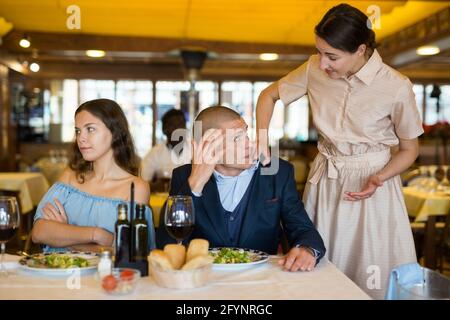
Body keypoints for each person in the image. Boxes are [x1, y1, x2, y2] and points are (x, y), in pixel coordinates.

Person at [255, 4, 423, 298]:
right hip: (326, 178)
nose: (322, 63)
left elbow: (410, 149)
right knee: (317, 261)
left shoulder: (396, 87)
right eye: (319, 52)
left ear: (360, 49)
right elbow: (269, 96)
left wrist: (380, 176)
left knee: (372, 268)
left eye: (332, 56)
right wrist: (261, 138)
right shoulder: (313, 69)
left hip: (373, 185)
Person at [157, 106, 326, 272]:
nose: (248, 144)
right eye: (237, 138)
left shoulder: (277, 172)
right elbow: (167, 244)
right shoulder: (184, 176)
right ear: (206, 145)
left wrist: (307, 249)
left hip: (263, 279)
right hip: (206, 279)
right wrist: (195, 183)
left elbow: (303, 228)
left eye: (246, 133)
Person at [32, 99, 156, 253]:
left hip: (104, 276)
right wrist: (97, 234)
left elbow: (128, 252)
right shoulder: (70, 177)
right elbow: (39, 233)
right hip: (55, 273)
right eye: (78, 131)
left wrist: (66, 237)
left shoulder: (136, 188)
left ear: (115, 132)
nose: (81, 138)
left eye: (90, 129)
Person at [141, 109, 191, 182]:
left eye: (181, 124)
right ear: (164, 130)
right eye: (173, 125)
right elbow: (143, 182)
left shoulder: (195, 150)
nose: (178, 129)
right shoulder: (154, 154)